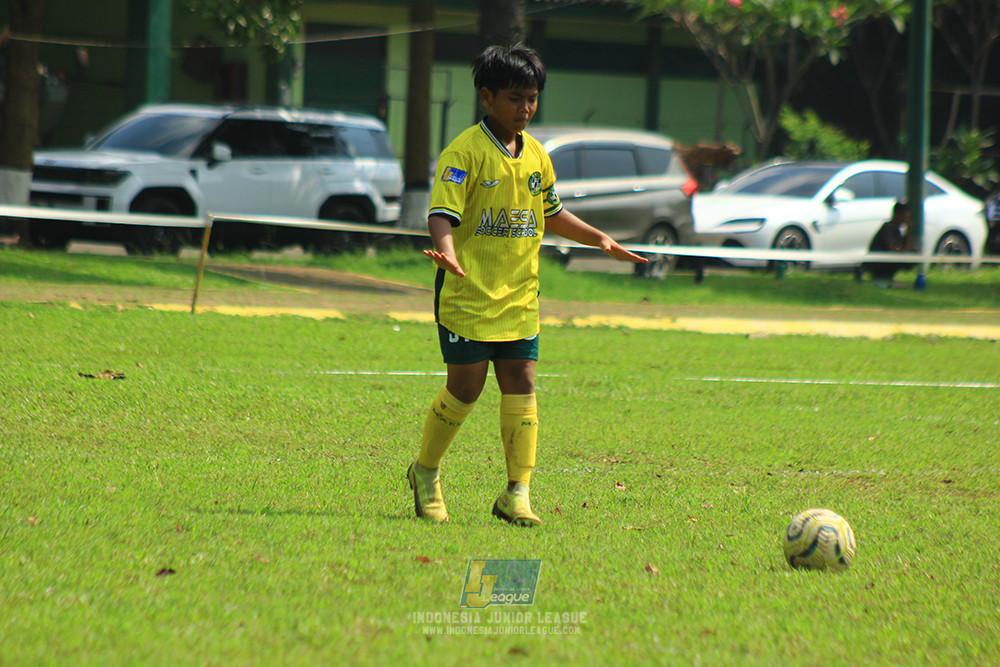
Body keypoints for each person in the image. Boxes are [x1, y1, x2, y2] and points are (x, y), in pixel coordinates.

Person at [406, 43, 648, 527]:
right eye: (515, 97)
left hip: (519, 294)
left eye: (532, 97)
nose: (526, 108)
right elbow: (441, 214)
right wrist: (448, 253)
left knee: (522, 382)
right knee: (466, 389)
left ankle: (517, 492)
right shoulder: (464, 152)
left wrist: (599, 239)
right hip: (468, 294)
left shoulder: (537, 155)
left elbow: (551, 212)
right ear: (487, 97)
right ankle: (426, 471)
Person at [860, 201, 912, 288]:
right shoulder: (888, 228)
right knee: (899, 259)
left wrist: (908, 233)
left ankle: (888, 279)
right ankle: (883, 280)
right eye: (905, 217)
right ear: (897, 214)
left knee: (911, 254)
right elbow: (891, 249)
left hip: (885, 261)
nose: (906, 220)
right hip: (877, 263)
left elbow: (904, 249)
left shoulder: (897, 230)